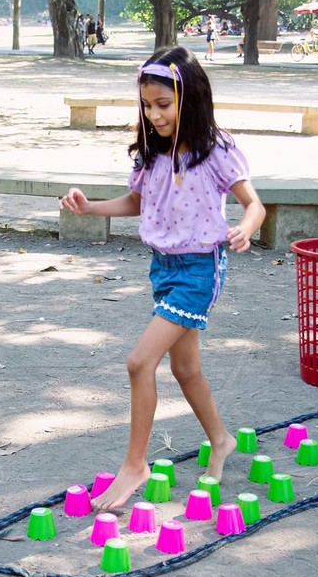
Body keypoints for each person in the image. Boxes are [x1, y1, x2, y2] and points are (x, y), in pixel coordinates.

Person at [58, 46, 266, 510]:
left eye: (163, 105)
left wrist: (246, 228)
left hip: (198, 269)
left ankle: (135, 464)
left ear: (188, 98)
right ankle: (221, 439)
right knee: (185, 367)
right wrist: (91, 207)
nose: (153, 114)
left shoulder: (217, 150)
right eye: (147, 105)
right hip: (163, 267)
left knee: (139, 362)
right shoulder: (150, 153)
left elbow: (255, 204)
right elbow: (137, 202)